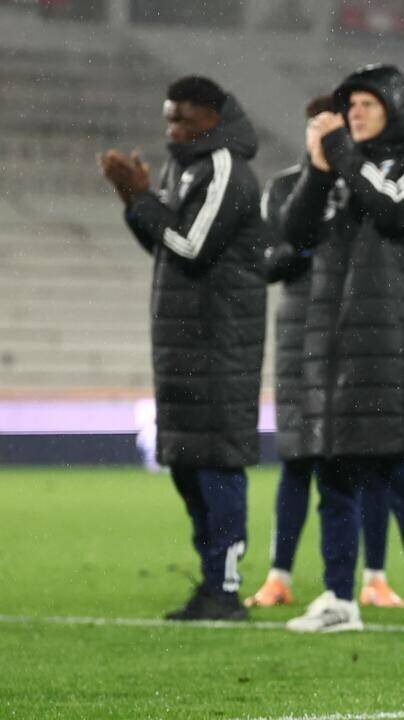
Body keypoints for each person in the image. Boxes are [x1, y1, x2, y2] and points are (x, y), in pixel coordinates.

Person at [280, 64, 404, 634]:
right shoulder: (338, 166)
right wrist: (317, 169)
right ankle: (339, 598)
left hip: (391, 342)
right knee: (334, 476)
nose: (353, 113)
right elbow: (294, 232)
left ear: (394, 107)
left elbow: (391, 208)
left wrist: (338, 150)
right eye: (349, 105)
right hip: (330, 343)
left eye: (366, 104)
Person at [98, 76, 266, 621]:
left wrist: (143, 198)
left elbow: (193, 247)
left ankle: (225, 589)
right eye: (169, 118)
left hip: (220, 343)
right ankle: (211, 583)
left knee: (216, 463)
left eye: (183, 119)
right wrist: (135, 202)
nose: (172, 129)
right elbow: (164, 245)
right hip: (183, 341)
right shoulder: (187, 167)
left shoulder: (225, 168)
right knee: (188, 467)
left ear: (212, 119)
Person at [245, 94, 404, 610]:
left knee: (368, 460)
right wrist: (311, 245)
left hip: (355, 333)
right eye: (317, 124)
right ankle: (278, 576)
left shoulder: (363, 184)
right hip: (299, 335)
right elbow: (267, 259)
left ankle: (375, 577)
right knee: (297, 458)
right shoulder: (284, 187)